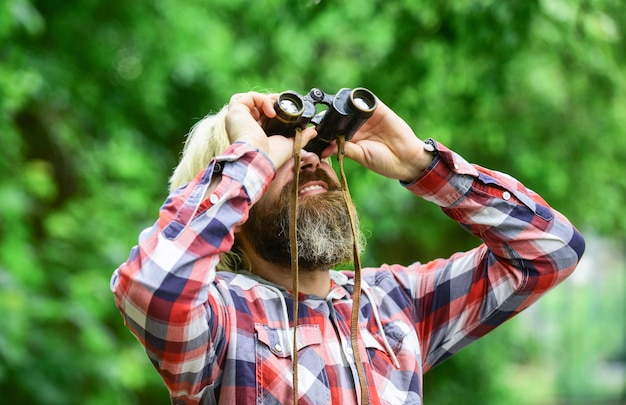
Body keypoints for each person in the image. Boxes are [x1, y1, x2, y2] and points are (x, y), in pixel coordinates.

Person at [111, 90, 586, 404]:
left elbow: (551, 251)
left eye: (313, 147)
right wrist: (248, 160)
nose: (308, 161)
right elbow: (152, 286)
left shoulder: (393, 305)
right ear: (235, 204)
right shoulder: (220, 321)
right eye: (281, 150)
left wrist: (422, 165)